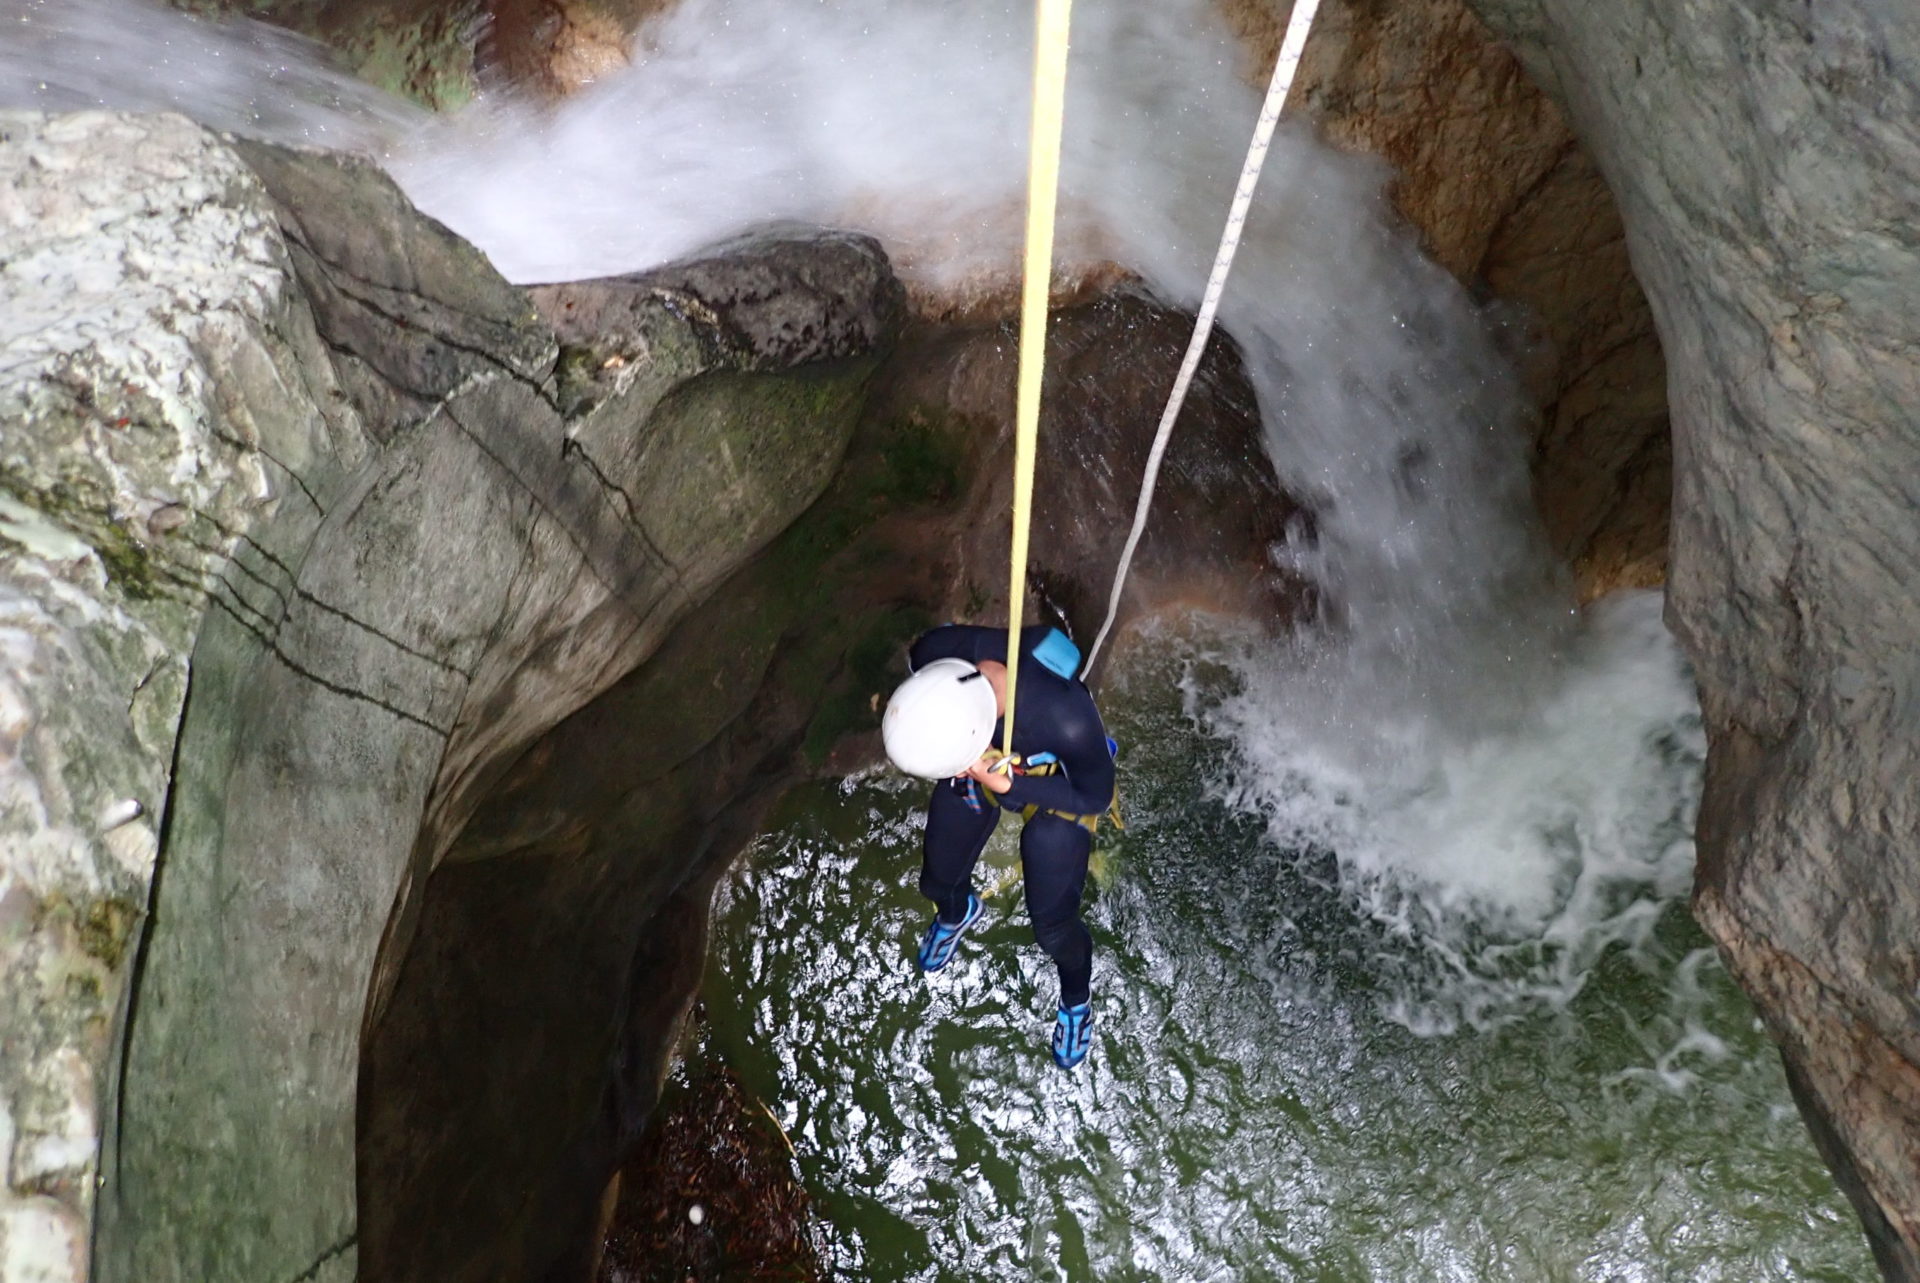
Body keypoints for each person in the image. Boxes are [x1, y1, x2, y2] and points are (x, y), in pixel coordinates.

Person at [880, 623, 1117, 1069]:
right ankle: (958, 912)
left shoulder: (1063, 718)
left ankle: (1076, 1000)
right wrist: (973, 770)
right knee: (937, 881)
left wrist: (1011, 783)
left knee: (1052, 928)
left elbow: (1095, 797)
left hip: (1056, 785)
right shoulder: (936, 652)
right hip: (981, 764)